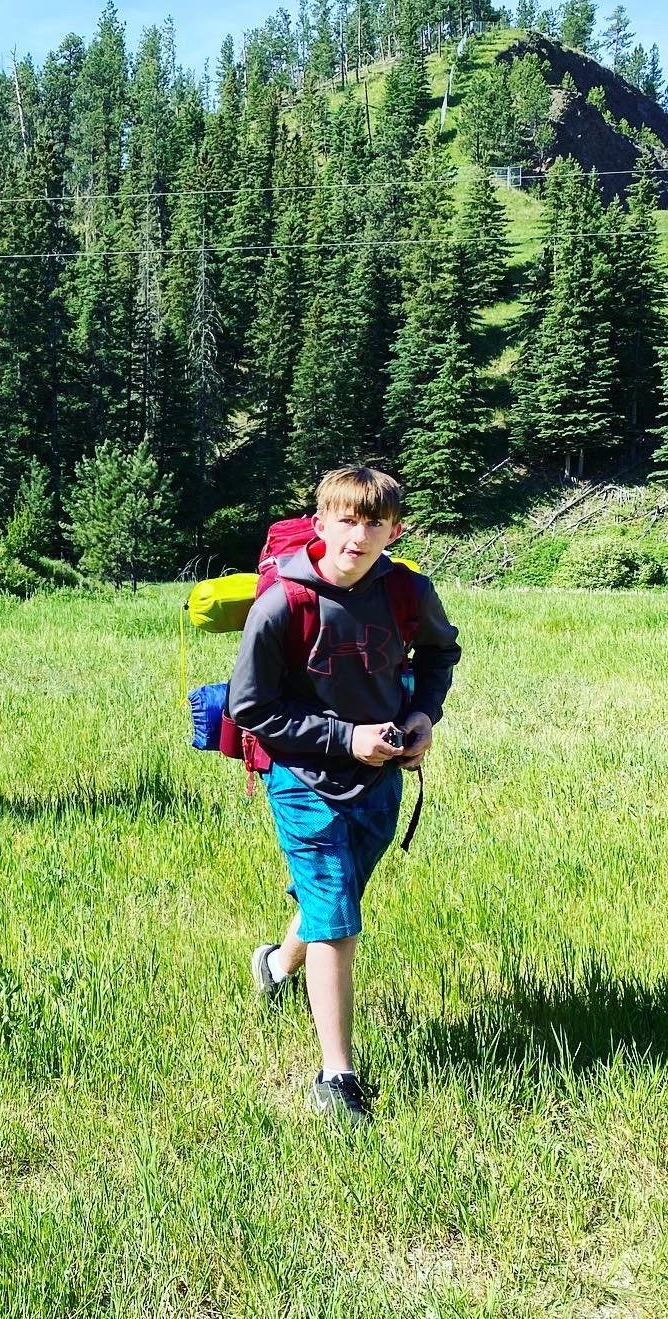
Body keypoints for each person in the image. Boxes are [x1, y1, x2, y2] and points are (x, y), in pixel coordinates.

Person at [227, 466, 460, 1128]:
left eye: (374, 522)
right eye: (346, 520)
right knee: (337, 914)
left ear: (395, 529)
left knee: (335, 899)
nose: (359, 535)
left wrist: (422, 717)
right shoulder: (283, 603)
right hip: (303, 780)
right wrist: (343, 736)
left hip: (382, 779)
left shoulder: (409, 592)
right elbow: (251, 707)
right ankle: (337, 1076)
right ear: (321, 521)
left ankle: (274, 964)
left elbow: (440, 655)